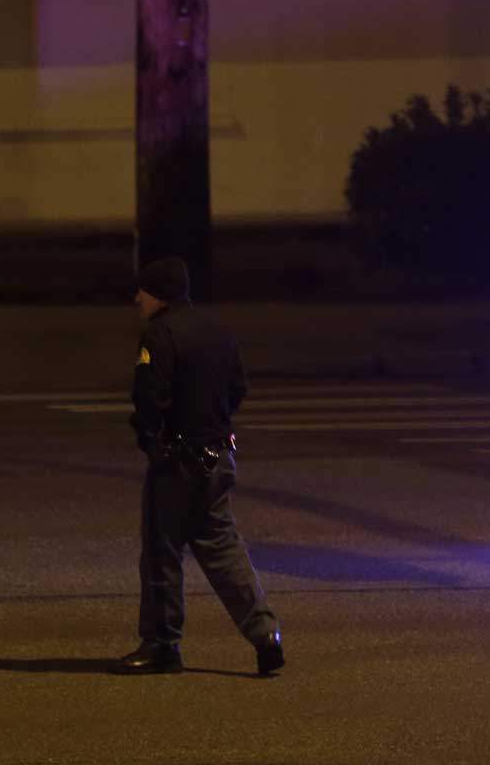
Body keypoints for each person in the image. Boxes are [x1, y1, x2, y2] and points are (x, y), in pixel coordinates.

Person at [114, 256, 284, 678]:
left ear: (160, 294)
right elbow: (238, 387)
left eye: (143, 291)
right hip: (218, 456)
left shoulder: (159, 332)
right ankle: (265, 636)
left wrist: (151, 440)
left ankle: (161, 644)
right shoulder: (218, 329)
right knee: (223, 546)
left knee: (161, 552)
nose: (138, 298)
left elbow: (150, 397)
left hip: (179, 462)